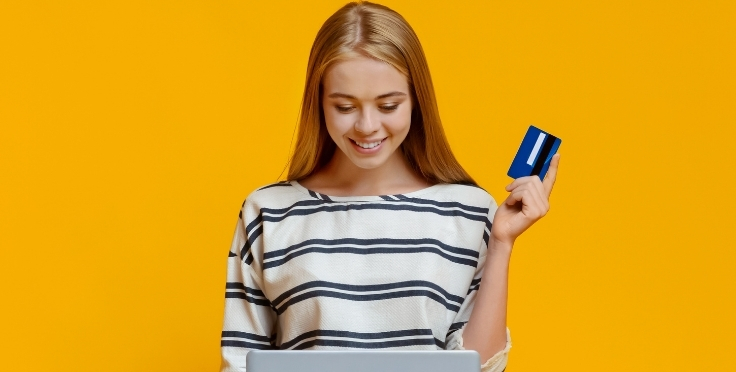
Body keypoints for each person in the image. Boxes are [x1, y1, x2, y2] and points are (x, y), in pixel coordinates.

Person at [219, 1, 560, 371]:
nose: (367, 126)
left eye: (388, 106)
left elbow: (481, 368)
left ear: (416, 100)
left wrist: (502, 244)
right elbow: (238, 363)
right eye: (345, 106)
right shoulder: (268, 213)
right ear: (318, 103)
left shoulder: (471, 212)